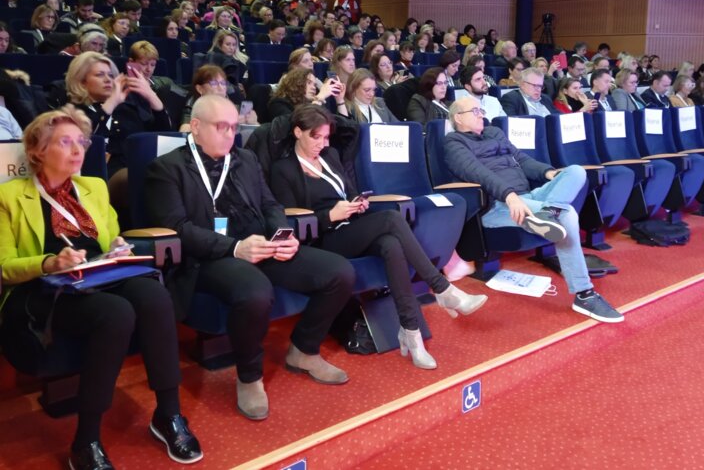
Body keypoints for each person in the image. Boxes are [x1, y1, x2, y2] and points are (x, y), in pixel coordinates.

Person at [0, 106, 202, 469]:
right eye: (65, 142)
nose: (78, 150)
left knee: (155, 296)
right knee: (117, 313)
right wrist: (50, 262)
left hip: (100, 276)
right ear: (37, 151)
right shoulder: (10, 196)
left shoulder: (93, 187)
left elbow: (112, 238)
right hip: (45, 290)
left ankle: (169, 415)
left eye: (81, 141)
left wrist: (118, 247)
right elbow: (4, 267)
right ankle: (86, 440)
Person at [146, 95, 355, 419]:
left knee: (339, 272)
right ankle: (249, 375)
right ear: (197, 126)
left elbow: (271, 205)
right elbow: (179, 229)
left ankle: (304, 349)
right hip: (209, 257)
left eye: (234, 127)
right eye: (222, 127)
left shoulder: (245, 159)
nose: (231, 134)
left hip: (261, 243)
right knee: (255, 291)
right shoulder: (167, 168)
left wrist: (282, 235)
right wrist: (234, 248)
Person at [270, 105, 487, 367]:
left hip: (351, 228)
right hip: (322, 240)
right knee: (391, 218)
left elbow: (349, 192)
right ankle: (441, 287)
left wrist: (356, 203)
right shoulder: (283, 169)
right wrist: (330, 216)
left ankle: (411, 333)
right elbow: (290, 222)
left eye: (326, 137)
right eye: (315, 137)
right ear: (297, 132)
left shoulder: (331, 156)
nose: (322, 144)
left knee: (391, 244)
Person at [444, 96, 623, 323]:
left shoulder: (494, 133)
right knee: (567, 215)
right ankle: (584, 294)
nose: (482, 115)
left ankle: (545, 215)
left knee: (576, 171)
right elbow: (479, 174)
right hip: (498, 206)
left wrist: (550, 174)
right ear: (458, 117)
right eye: (475, 111)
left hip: (530, 197)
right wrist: (510, 197)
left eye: (481, 110)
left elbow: (522, 160)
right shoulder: (453, 143)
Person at [67, 52, 171, 181]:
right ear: (82, 81)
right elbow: (88, 142)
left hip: (138, 170)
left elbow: (163, 135)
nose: (108, 80)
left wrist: (151, 96)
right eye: (100, 75)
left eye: (111, 75)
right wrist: (112, 102)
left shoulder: (127, 108)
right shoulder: (74, 112)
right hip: (102, 177)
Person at [179, 65, 256, 131]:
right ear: (200, 89)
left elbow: (255, 128)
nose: (221, 87)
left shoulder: (235, 98)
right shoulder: (192, 103)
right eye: (214, 83)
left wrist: (252, 121)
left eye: (223, 83)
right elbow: (185, 130)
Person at [268, 67, 342, 121]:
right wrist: (319, 98)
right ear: (296, 83)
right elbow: (299, 126)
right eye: (309, 83)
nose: (314, 88)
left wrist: (340, 101)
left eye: (315, 85)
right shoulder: (278, 103)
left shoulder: (314, 103)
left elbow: (343, 130)